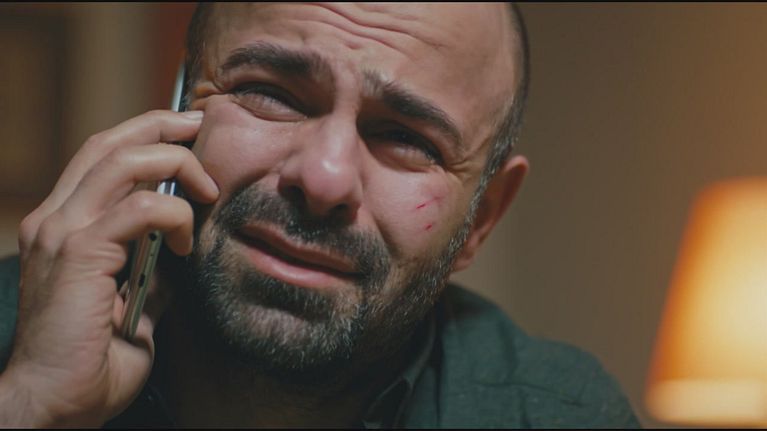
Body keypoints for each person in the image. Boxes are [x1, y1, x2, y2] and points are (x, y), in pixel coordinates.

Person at [0, 3, 640, 428]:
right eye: (271, 94)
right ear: (178, 107)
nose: (324, 178)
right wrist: (33, 402)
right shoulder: (21, 348)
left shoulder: (557, 413)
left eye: (407, 137)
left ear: (481, 219)